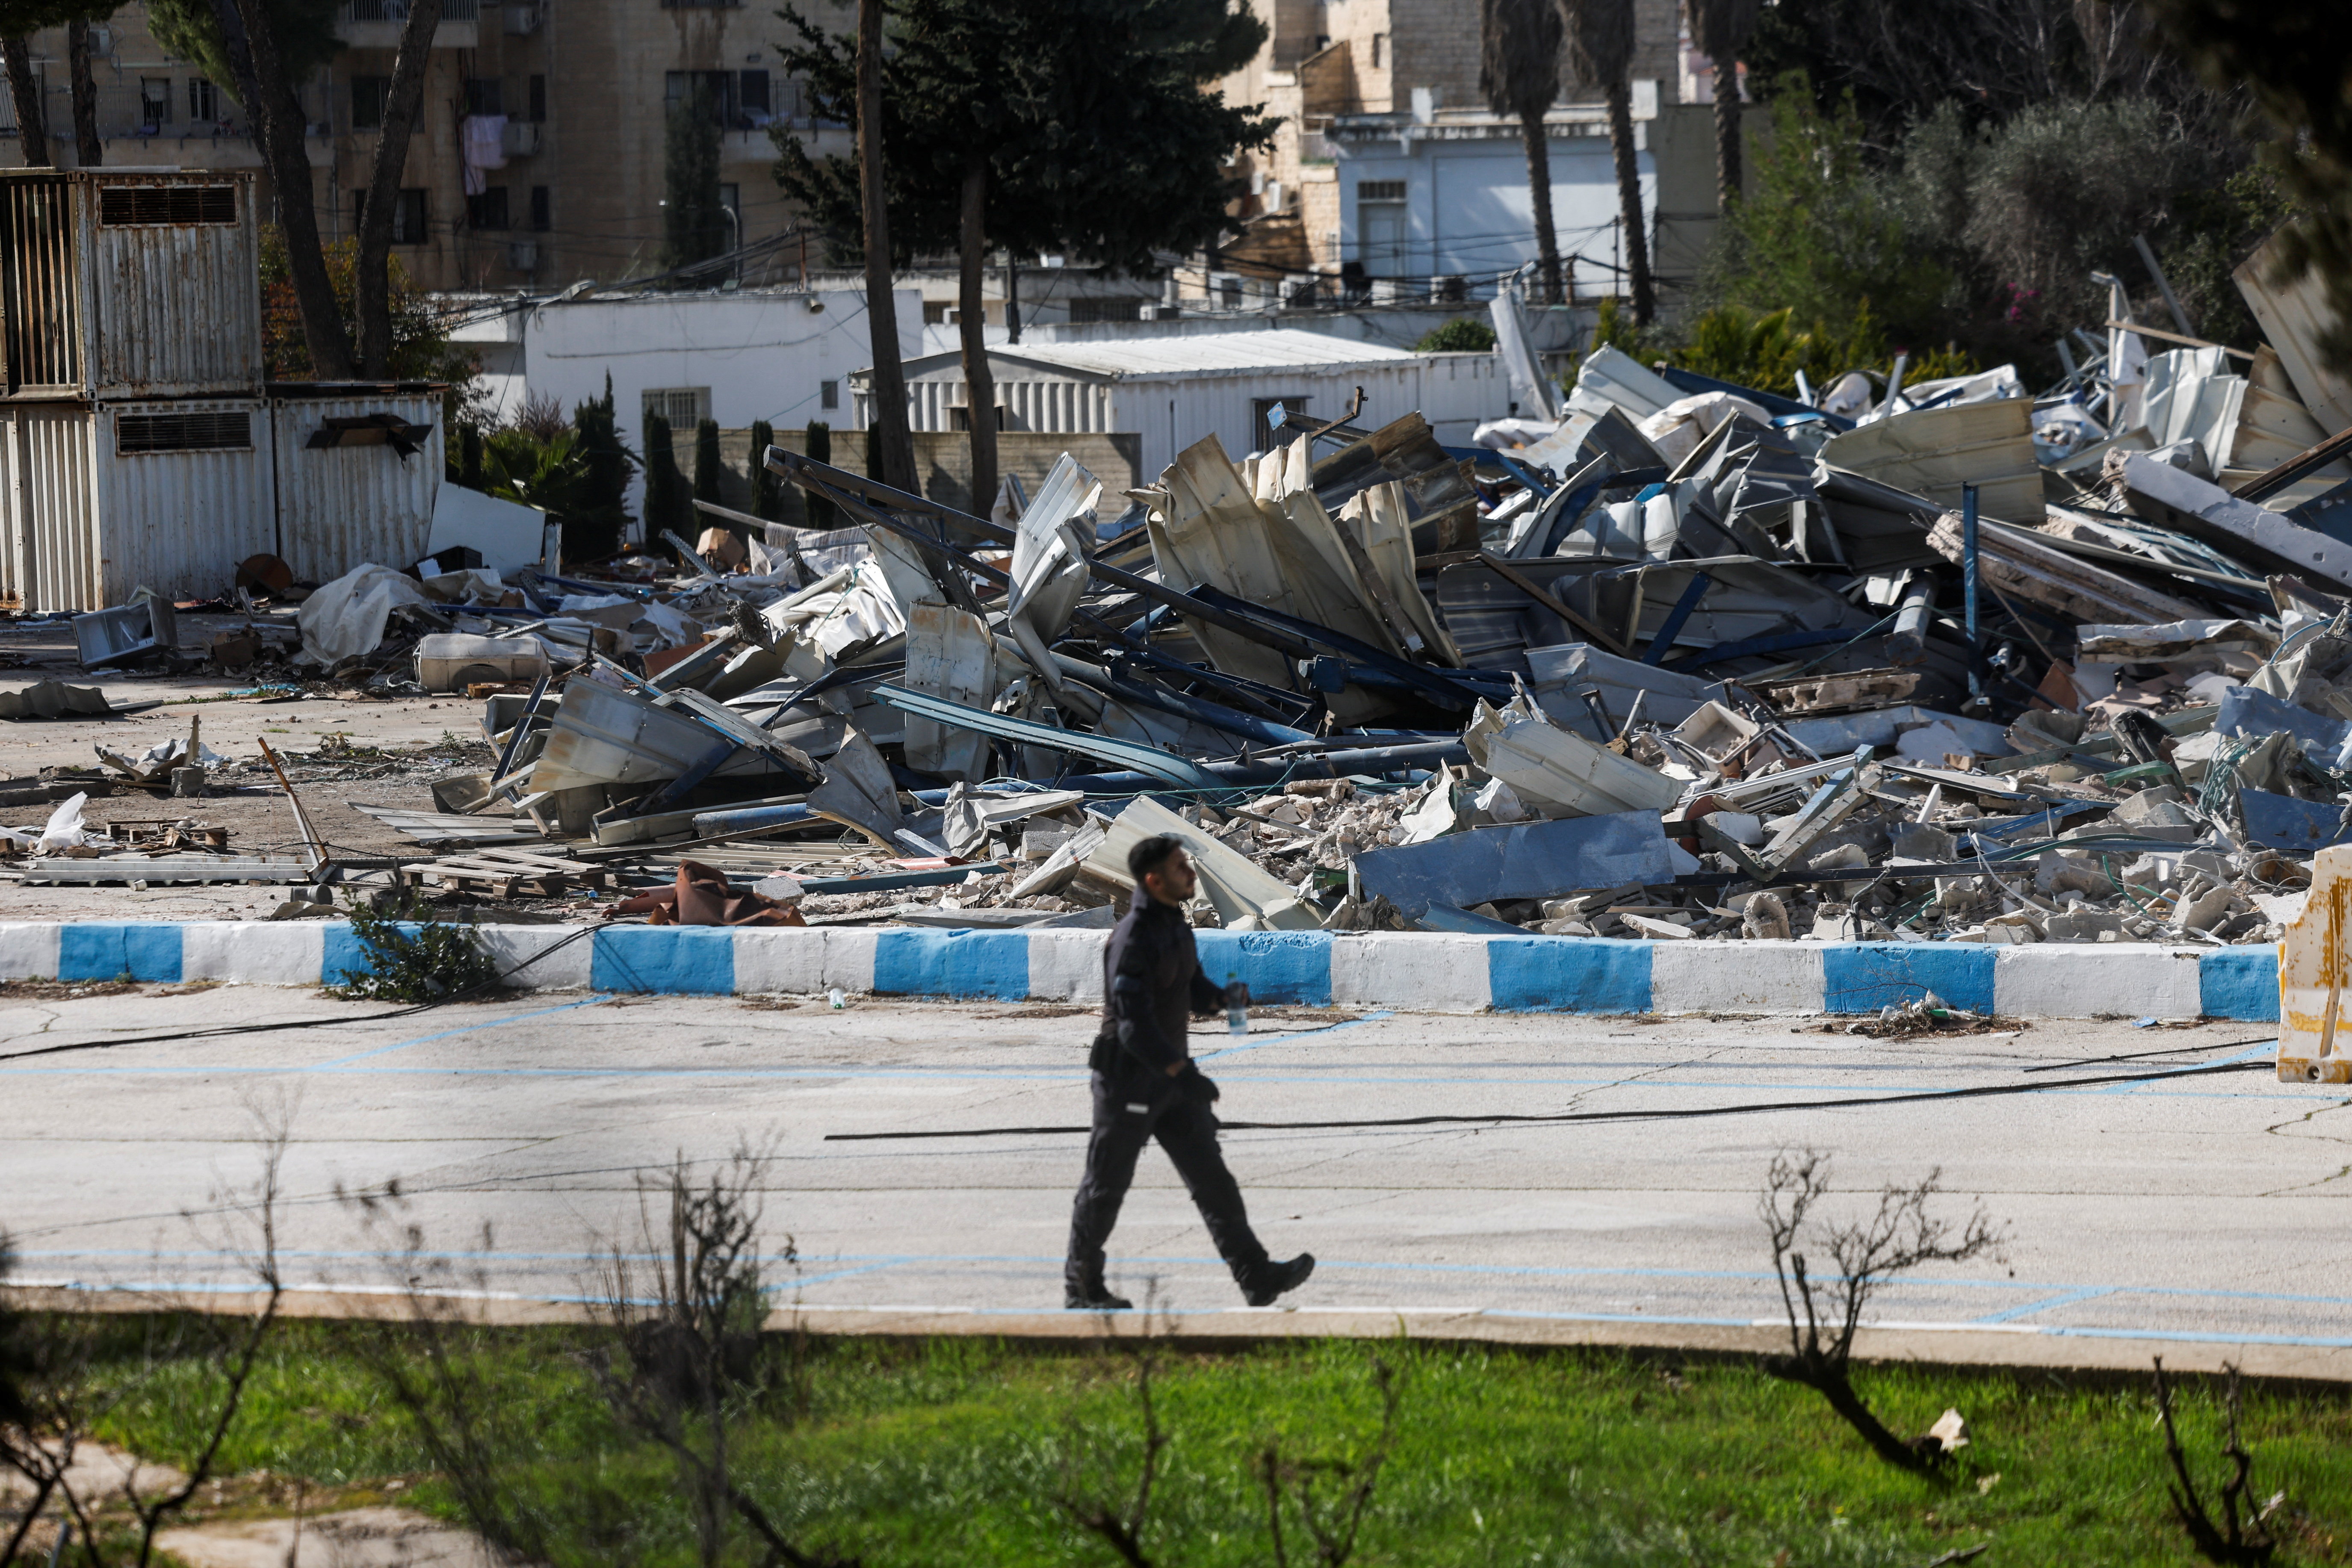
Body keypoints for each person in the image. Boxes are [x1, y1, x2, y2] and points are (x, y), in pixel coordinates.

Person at [1064, 834, 1315, 1311]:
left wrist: (1224, 999)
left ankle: (1256, 1276)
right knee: (1105, 1186)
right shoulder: (1132, 938)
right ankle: (1081, 1288)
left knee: (1214, 1181)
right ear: (1154, 880)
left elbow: (1191, 990)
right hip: (1129, 1082)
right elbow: (1133, 1025)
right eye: (1182, 867)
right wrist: (1182, 1072)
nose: (1192, 873)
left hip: (1173, 1081)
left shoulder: (1174, 927)